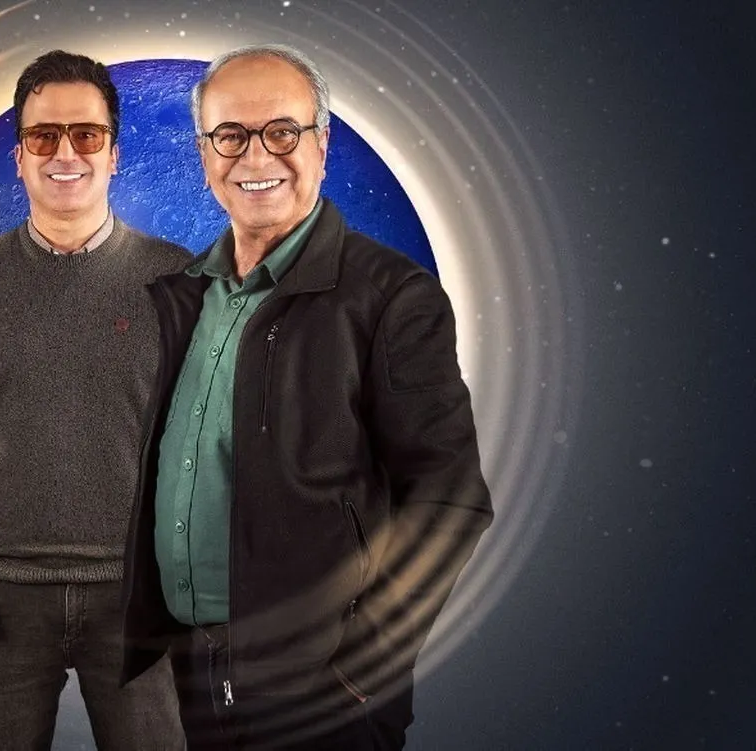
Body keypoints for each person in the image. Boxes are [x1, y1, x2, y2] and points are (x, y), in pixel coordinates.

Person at [120, 44, 494, 750]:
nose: (256, 156)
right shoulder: (182, 298)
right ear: (204, 154)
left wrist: (359, 667)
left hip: (323, 697)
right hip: (190, 674)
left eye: (282, 132)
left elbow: (450, 501)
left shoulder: (392, 298)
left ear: (322, 145)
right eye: (230, 135)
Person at [0, 50, 188, 751]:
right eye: (43, 136)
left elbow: (214, 438)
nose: (66, 153)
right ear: (20, 158)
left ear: (114, 155)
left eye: (86, 134)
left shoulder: (178, 279)